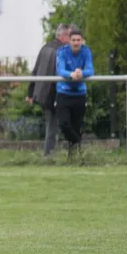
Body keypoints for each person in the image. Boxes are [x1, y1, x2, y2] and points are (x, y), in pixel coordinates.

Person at [27, 23, 71, 157]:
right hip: (53, 93)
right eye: (70, 36)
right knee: (53, 126)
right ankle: (48, 155)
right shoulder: (62, 51)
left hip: (42, 93)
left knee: (52, 125)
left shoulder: (45, 48)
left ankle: (50, 153)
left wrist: (30, 93)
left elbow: (35, 70)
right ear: (64, 36)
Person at [55, 29, 95, 160]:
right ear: (69, 41)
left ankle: (73, 158)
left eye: (78, 40)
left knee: (76, 127)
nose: (76, 43)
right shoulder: (62, 52)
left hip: (79, 94)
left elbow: (90, 69)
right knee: (64, 124)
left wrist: (81, 73)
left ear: (82, 41)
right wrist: (71, 74)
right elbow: (60, 70)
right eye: (73, 40)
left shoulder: (86, 51)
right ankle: (79, 145)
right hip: (63, 93)